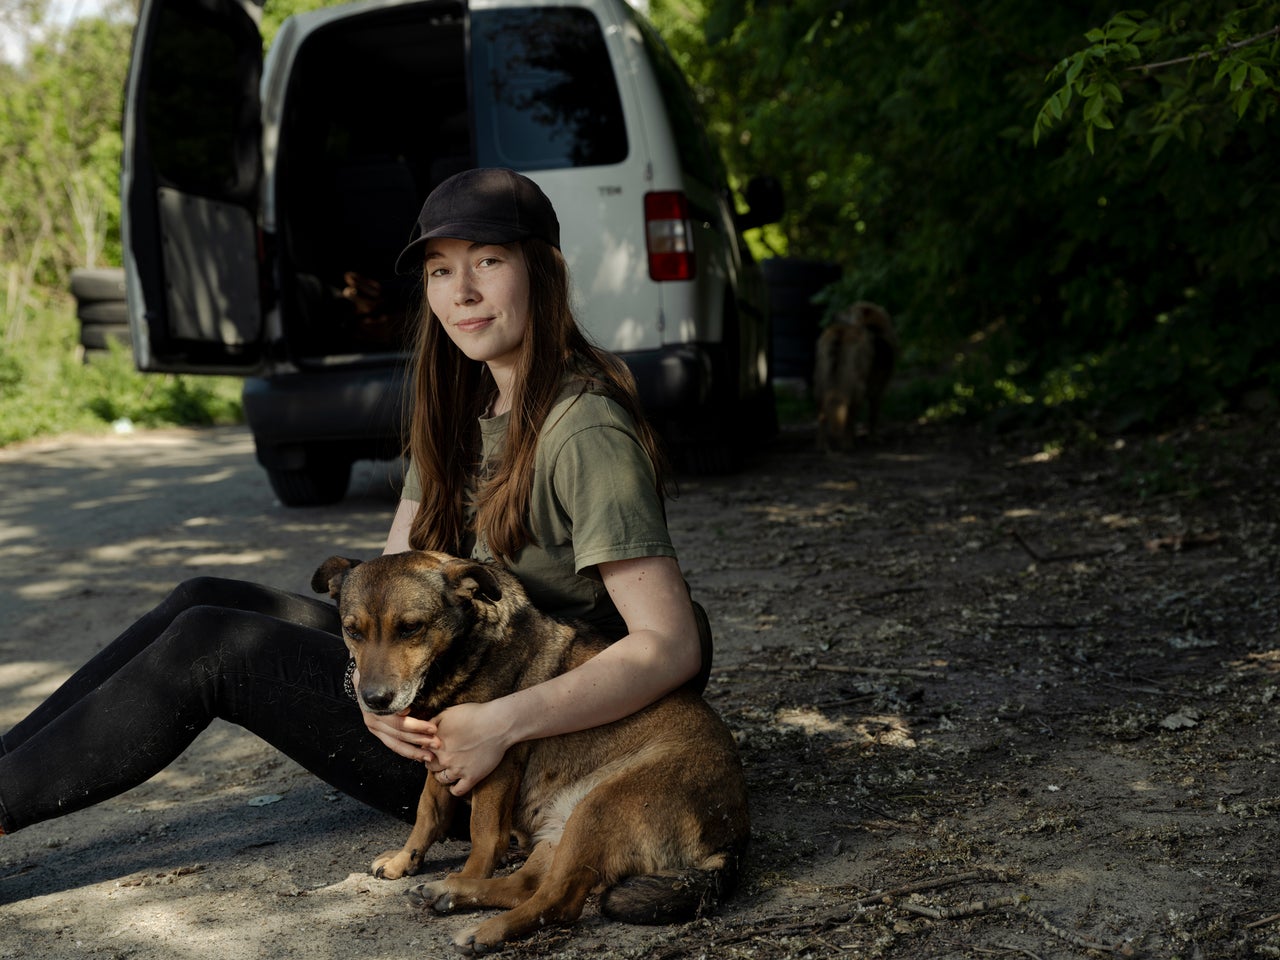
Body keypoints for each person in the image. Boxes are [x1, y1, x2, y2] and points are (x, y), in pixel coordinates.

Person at [0, 167, 710, 840]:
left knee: (211, 647)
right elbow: (387, 577)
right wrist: (358, 683)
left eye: (488, 261)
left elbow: (671, 644)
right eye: (440, 270)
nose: (461, 290)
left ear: (545, 271)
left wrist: (502, 723)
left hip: (512, 759)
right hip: (431, 691)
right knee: (203, 597)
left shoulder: (583, 425)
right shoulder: (466, 405)